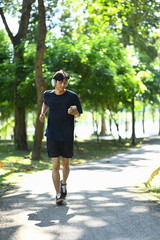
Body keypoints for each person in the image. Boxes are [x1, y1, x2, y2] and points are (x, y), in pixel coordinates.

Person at [39, 70, 83, 204]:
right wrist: (42, 113)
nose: (63, 85)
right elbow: (46, 102)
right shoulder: (47, 94)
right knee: (55, 165)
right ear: (54, 82)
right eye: (60, 83)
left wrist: (74, 112)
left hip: (67, 134)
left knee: (66, 164)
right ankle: (58, 194)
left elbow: (79, 115)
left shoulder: (72, 96)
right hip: (52, 134)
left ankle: (64, 183)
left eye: (65, 83)